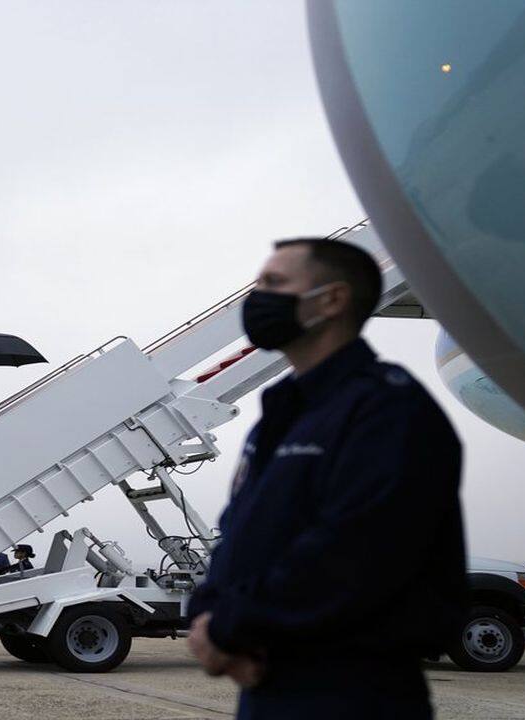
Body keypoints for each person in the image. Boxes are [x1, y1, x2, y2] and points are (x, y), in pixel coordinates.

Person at [185, 238, 466, 719]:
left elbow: (355, 551)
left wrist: (228, 627)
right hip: (269, 681)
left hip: (352, 689)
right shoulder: (284, 412)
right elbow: (239, 533)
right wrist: (205, 618)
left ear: (332, 300)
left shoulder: (388, 410)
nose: (256, 298)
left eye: (274, 283)